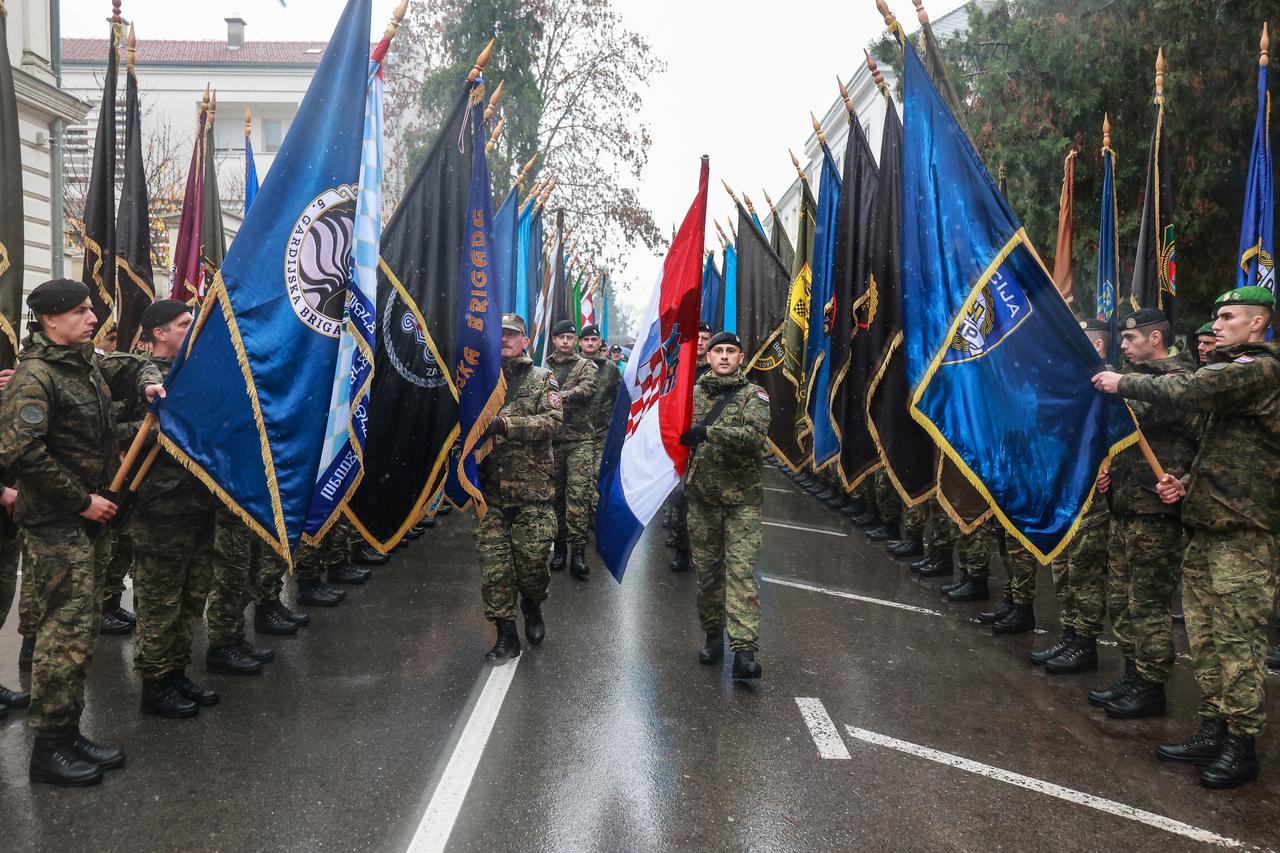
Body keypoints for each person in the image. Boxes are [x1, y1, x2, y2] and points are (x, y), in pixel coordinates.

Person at [1092, 285, 1280, 789]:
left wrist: (1121, 381)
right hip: (1206, 524)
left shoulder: (1261, 369)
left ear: (1258, 324)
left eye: (1228, 317)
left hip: (1244, 534)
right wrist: (1188, 482)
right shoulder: (1234, 377)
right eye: (1217, 317)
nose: (1216, 326)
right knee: (1206, 638)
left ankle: (1241, 746)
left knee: (1238, 643)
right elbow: (1226, 452)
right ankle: (1213, 728)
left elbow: (1190, 389)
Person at [0, 279, 164, 786]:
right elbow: (21, 453)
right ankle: (48, 747)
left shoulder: (85, 363)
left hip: (86, 523)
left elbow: (135, 364)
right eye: (81, 311)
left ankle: (67, 731)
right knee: (61, 636)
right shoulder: (36, 377)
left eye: (91, 309)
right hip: (58, 525)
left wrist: (149, 384)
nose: (93, 318)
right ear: (50, 319)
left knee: (81, 631)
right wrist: (82, 501)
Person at [1090, 308, 1201, 717]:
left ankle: (1152, 686)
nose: (1122, 346)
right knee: (1121, 600)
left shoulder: (1177, 380)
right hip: (1126, 504)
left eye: (1131, 340)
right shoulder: (1137, 380)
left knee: (1147, 603)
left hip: (1156, 511)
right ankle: (1134, 675)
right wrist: (1111, 475)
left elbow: (1139, 413)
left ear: (1155, 339)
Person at [121, 301, 222, 719]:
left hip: (198, 503)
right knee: (160, 600)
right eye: (183, 324)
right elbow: (110, 430)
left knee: (190, 596)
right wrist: (159, 426)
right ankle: (155, 682)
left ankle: (176, 671)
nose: (192, 328)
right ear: (158, 333)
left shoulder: (195, 374)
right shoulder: (135, 374)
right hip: (159, 509)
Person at [681, 331, 771, 681]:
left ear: (741, 357)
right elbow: (671, 432)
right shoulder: (690, 396)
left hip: (741, 503)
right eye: (717, 350)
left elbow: (754, 437)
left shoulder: (754, 396)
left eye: (730, 351)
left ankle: (745, 650)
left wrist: (707, 432)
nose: (723, 356)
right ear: (707, 357)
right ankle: (712, 635)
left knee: (740, 574)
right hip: (702, 501)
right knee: (708, 576)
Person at [474, 314, 562, 661]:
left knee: (532, 566)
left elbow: (553, 422)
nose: (505, 340)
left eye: (512, 336)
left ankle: (533, 602)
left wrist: (506, 425)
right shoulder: (479, 381)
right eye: (500, 335)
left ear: (525, 342)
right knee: (495, 570)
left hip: (532, 495)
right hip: (489, 494)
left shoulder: (542, 379)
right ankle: (506, 635)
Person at [1032, 318, 1113, 673]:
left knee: (1084, 572)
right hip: (1066, 490)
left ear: (1095, 346)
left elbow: (1114, 436)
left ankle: (1085, 643)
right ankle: (1070, 634)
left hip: (1091, 495)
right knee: (1063, 571)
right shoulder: (1073, 382)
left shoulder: (1109, 385)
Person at [546, 319, 597, 578]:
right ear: (554, 340)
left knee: (578, 497)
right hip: (553, 442)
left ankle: (578, 552)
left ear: (575, 340)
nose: (565, 341)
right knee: (556, 499)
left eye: (569, 337)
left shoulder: (586, 365)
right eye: (561, 337)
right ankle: (560, 550)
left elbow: (587, 390)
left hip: (580, 441)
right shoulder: (544, 367)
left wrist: (558, 397)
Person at [580, 324, 620, 533]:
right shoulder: (574, 365)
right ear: (581, 342)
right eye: (586, 340)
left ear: (599, 343)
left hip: (602, 433)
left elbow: (619, 396)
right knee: (581, 479)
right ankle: (581, 518)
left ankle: (596, 519)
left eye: (593, 340)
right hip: (577, 434)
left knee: (597, 476)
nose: (589, 343)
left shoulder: (610, 368)